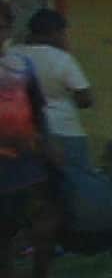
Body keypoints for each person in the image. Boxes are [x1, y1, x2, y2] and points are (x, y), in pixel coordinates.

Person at [0, 0, 60, 278]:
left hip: (27, 164)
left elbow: (37, 110)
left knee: (44, 228)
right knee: (3, 239)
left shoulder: (21, 66)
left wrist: (48, 143)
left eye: (3, 24)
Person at [11, 9, 94, 169]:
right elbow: (85, 99)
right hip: (64, 130)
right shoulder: (62, 59)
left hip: (23, 131)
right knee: (76, 181)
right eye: (63, 33)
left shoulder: (12, 54)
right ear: (55, 33)